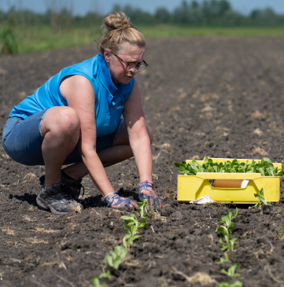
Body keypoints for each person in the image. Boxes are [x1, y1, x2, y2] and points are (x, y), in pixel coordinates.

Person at [2, 12, 163, 215]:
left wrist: (146, 185)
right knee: (67, 119)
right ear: (107, 55)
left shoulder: (128, 83)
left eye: (138, 64)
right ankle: (51, 190)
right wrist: (111, 196)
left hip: (66, 140)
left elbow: (138, 137)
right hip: (23, 137)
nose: (133, 70)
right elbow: (87, 148)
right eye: (128, 63)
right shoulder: (83, 81)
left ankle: (69, 177)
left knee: (146, 134)